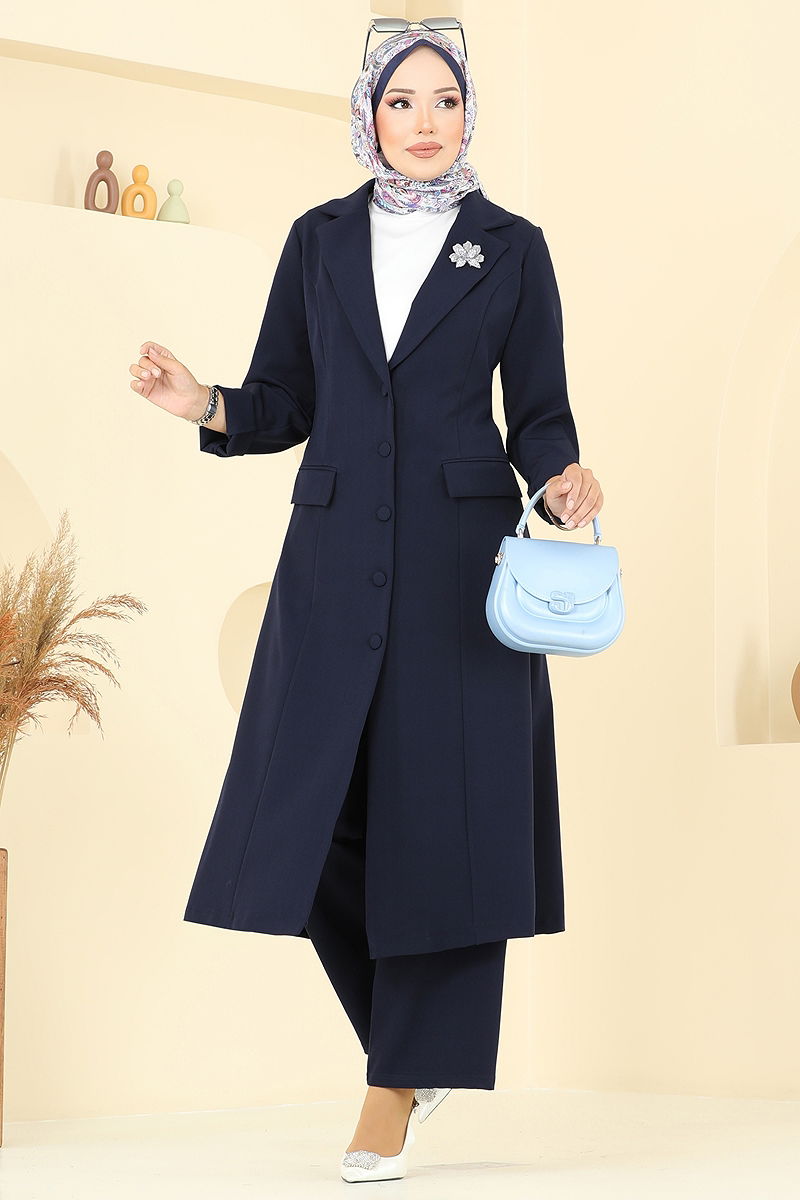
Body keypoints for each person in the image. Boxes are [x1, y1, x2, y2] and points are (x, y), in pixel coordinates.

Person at [129, 22, 603, 1184]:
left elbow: (538, 409)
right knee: (313, 808)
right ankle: (413, 1048)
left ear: (468, 113)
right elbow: (284, 398)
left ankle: (393, 1084)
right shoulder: (320, 238)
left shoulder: (512, 247)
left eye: (444, 99)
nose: (424, 120)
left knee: (446, 820)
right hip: (332, 554)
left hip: (461, 565)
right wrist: (205, 403)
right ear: (368, 114)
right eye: (402, 101)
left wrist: (560, 476)